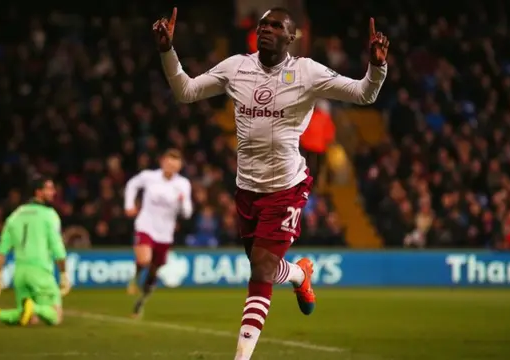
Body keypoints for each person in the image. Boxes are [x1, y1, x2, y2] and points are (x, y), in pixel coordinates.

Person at [153, 7, 389, 359]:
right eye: (264, 24)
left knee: (261, 269)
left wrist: (377, 67)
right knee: (263, 266)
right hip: (247, 189)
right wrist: (167, 51)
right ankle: (298, 275)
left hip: (286, 187)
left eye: (277, 26)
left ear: (292, 37)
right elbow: (185, 91)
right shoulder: (236, 67)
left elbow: (363, 94)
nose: (267, 29)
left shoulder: (307, 72)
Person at [0, 176, 71, 327]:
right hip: (40, 273)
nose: (53, 192)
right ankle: (33, 306)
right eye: (49, 189)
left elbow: (2, 249)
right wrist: (63, 274)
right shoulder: (49, 215)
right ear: (38, 192)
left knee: (29, 318)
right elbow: (58, 248)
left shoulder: (16, 215)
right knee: (56, 316)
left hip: (20, 273)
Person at [124, 148, 193, 317]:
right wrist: (129, 205)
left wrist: (183, 204)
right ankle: (135, 276)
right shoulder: (149, 177)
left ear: (179, 166)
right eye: (168, 162)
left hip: (165, 233)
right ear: (162, 162)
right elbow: (132, 184)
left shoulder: (183, 184)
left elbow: (188, 212)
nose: (171, 166)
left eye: (175, 164)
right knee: (144, 259)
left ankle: (141, 302)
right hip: (146, 225)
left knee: (154, 271)